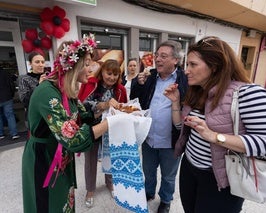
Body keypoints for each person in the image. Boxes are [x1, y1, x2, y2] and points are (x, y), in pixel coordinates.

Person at [164, 36, 266, 213]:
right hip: (189, 168)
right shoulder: (197, 91)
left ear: (215, 65)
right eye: (186, 64)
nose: (186, 70)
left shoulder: (247, 94)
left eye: (193, 65)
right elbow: (181, 128)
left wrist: (215, 136)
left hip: (221, 180)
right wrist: (175, 103)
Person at [21, 34, 111, 213]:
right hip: (43, 159)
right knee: (47, 205)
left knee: (63, 202)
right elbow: (74, 139)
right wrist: (112, 122)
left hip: (60, 157)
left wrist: (108, 107)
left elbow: (84, 115)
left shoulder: (65, 90)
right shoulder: (47, 93)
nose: (91, 69)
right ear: (73, 65)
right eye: (86, 64)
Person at [130, 40, 188, 213]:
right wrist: (138, 84)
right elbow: (135, 100)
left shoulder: (185, 79)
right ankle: (148, 192)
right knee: (148, 170)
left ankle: (166, 200)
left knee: (169, 176)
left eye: (163, 56)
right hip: (149, 138)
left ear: (176, 60)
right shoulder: (149, 75)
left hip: (171, 140)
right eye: (157, 56)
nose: (158, 59)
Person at [78, 59, 127, 208]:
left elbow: (124, 107)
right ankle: (90, 190)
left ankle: (110, 183)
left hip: (110, 130)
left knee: (110, 158)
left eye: (115, 74)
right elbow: (82, 104)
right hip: (92, 128)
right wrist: (103, 105)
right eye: (109, 73)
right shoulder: (91, 83)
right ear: (102, 71)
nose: (111, 77)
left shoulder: (120, 89)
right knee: (91, 161)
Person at [18, 51, 47, 128]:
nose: (41, 65)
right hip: (34, 116)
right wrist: (39, 85)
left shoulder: (48, 76)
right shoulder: (24, 79)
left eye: (42, 62)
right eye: (37, 62)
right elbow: (25, 100)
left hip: (48, 114)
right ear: (30, 63)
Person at [0, 68, 20, 140]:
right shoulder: (5, 72)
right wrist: (11, 94)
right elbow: (11, 84)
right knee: (10, 115)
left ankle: (1, 134)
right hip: (7, 97)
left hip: (5, 97)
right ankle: (14, 134)